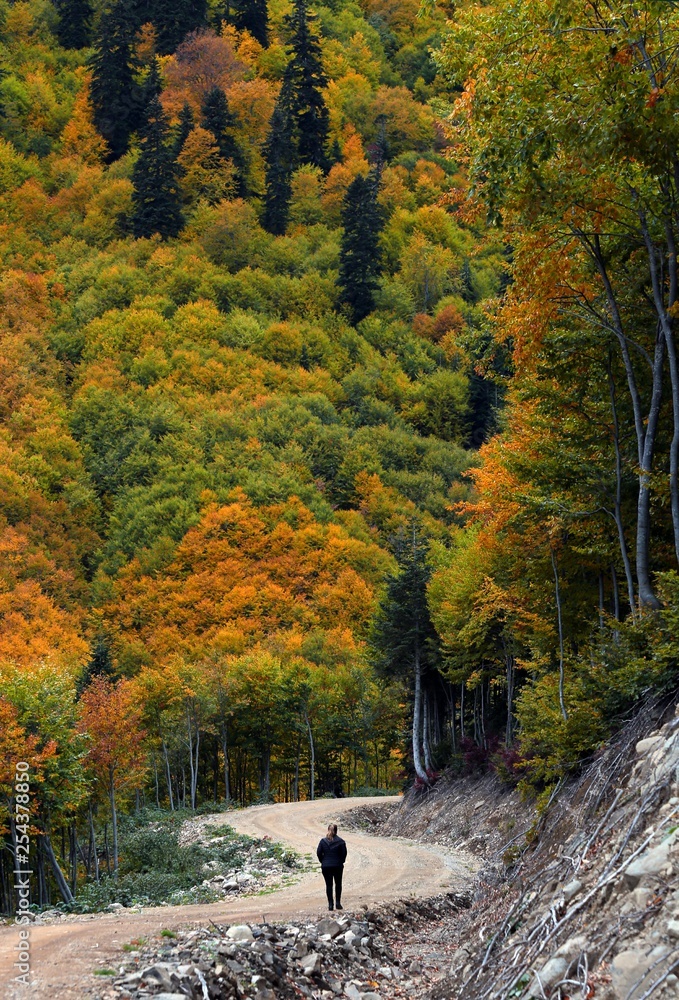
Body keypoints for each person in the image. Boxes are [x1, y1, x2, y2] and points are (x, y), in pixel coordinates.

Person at [316, 822, 347, 911]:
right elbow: (344, 854)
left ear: (328, 830)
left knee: (329, 885)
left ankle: (330, 905)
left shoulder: (323, 841)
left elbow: (318, 853)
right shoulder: (341, 842)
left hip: (326, 866)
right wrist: (341, 862)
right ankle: (338, 903)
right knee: (338, 884)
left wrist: (323, 861)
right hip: (337, 865)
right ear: (336, 831)